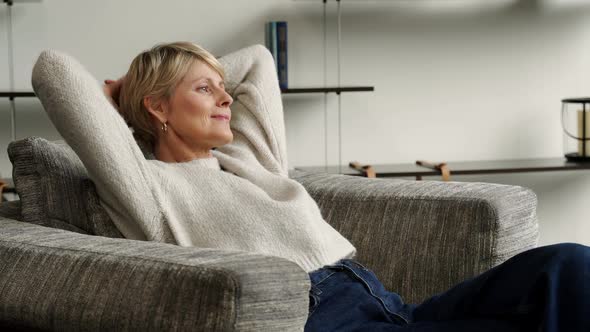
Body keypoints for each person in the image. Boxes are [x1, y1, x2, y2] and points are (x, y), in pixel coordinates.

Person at [32, 42, 589, 332]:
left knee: (569, 265)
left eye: (220, 89)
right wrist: (132, 89)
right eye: (206, 90)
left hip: (391, 305)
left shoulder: (248, 158)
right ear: (157, 108)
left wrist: (189, 75)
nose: (227, 98)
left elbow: (257, 61)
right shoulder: (146, 187)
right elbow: (54, 72)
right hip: (324, 322)